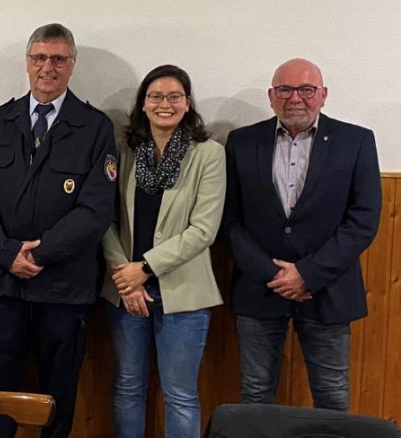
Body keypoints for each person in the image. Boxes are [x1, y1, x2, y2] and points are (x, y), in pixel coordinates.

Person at [0, 23, 117, 438]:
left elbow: (95, 209)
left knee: (58, 393)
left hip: (63, 288)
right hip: (1, 286)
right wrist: (6, 253)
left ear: (71, 65)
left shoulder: (94, 127)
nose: (47, 67)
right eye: (39, 58)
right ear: (27, 63)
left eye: (57, 59)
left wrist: (39, 253)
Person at [222, 58, 381, 411]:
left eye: (306, 89)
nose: (296, 98)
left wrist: (308, 274)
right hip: (259, 288)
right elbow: (228, 219)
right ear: (271, 96)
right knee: (256, 395)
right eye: (285, 89)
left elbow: (364, 220)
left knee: (332, 395)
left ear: (323, 95)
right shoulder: (242, 142)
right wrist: (275, 275)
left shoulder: (356, 141)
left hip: (328, 289)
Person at [101, 64, 225, 438]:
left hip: (184, 294)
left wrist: (146, 268)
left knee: (181, 397)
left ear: (187, 103)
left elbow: (203, 230)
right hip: (126, 292)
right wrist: (126, 276)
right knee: (127, 390)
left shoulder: (208, 154)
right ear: (143, 103)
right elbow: (106, 221)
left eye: (174, 97)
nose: (164, 104)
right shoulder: (124, 151)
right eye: (155, 96)